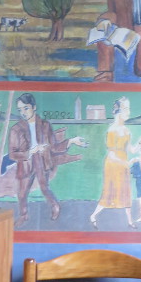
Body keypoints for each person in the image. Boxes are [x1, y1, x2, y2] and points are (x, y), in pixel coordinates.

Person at [8, 93, 88, 226]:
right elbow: (12, 154)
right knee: (22, 193)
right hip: (26, 163)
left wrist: (71, 141)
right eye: (20, 110)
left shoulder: (45, 125)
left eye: (26, 108)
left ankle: (55, 206)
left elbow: (54, 147)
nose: (23, 112)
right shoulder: (16, 129)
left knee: (44, 188)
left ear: (34, 107)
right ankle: (23, 215)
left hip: (42, 160)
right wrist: (30, 152)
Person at [90, 97, 137, 230]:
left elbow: (131, 149)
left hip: (123, 164)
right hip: (113, 165)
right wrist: (125, 163)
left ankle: (130, 221)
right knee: (109, 193)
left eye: (129, 109)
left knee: (126, 192)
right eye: (126, 109)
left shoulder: (127, 130)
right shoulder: (112, 130)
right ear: (118, 111)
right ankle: (93, 215)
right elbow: (111, 154)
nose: (128, 112)